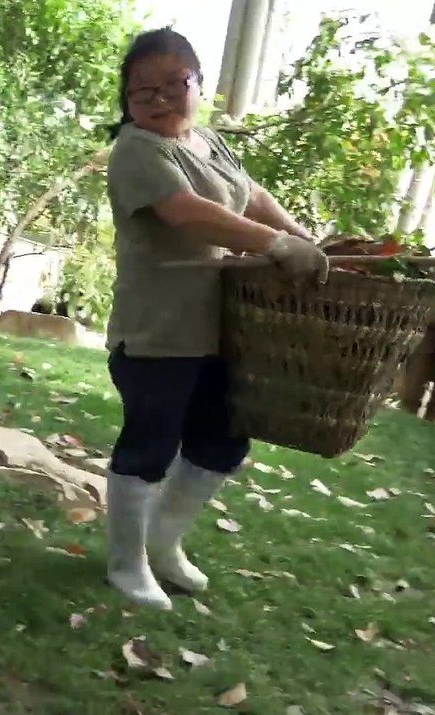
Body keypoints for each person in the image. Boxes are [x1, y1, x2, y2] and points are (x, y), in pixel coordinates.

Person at [101, 27, 330, 610]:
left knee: (222, 441)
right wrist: (277, 246)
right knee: (150, 444)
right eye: (141, 90)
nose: (158, 99)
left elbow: (251, 196)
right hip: (160, 330)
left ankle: (163, 543)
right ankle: (126, 565)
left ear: (198, 85)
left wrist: (309, 240)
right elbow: (189, 214)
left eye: (173, 84)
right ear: (127, 100)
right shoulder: (136, 150)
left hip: (222, 330)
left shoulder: (207, 142)